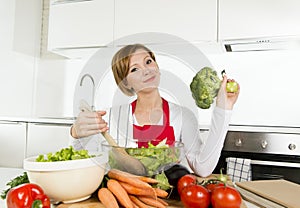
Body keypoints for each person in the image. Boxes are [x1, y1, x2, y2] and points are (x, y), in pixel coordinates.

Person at [70, 43, 240, 177]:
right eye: (134, 69)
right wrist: (76, 133)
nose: (146, 70)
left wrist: (224, 109)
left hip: (168, 201)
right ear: (125, 83)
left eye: (148, 61)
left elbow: (202, 168)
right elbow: (85, 160)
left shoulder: (183, 116)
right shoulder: (112, 117)